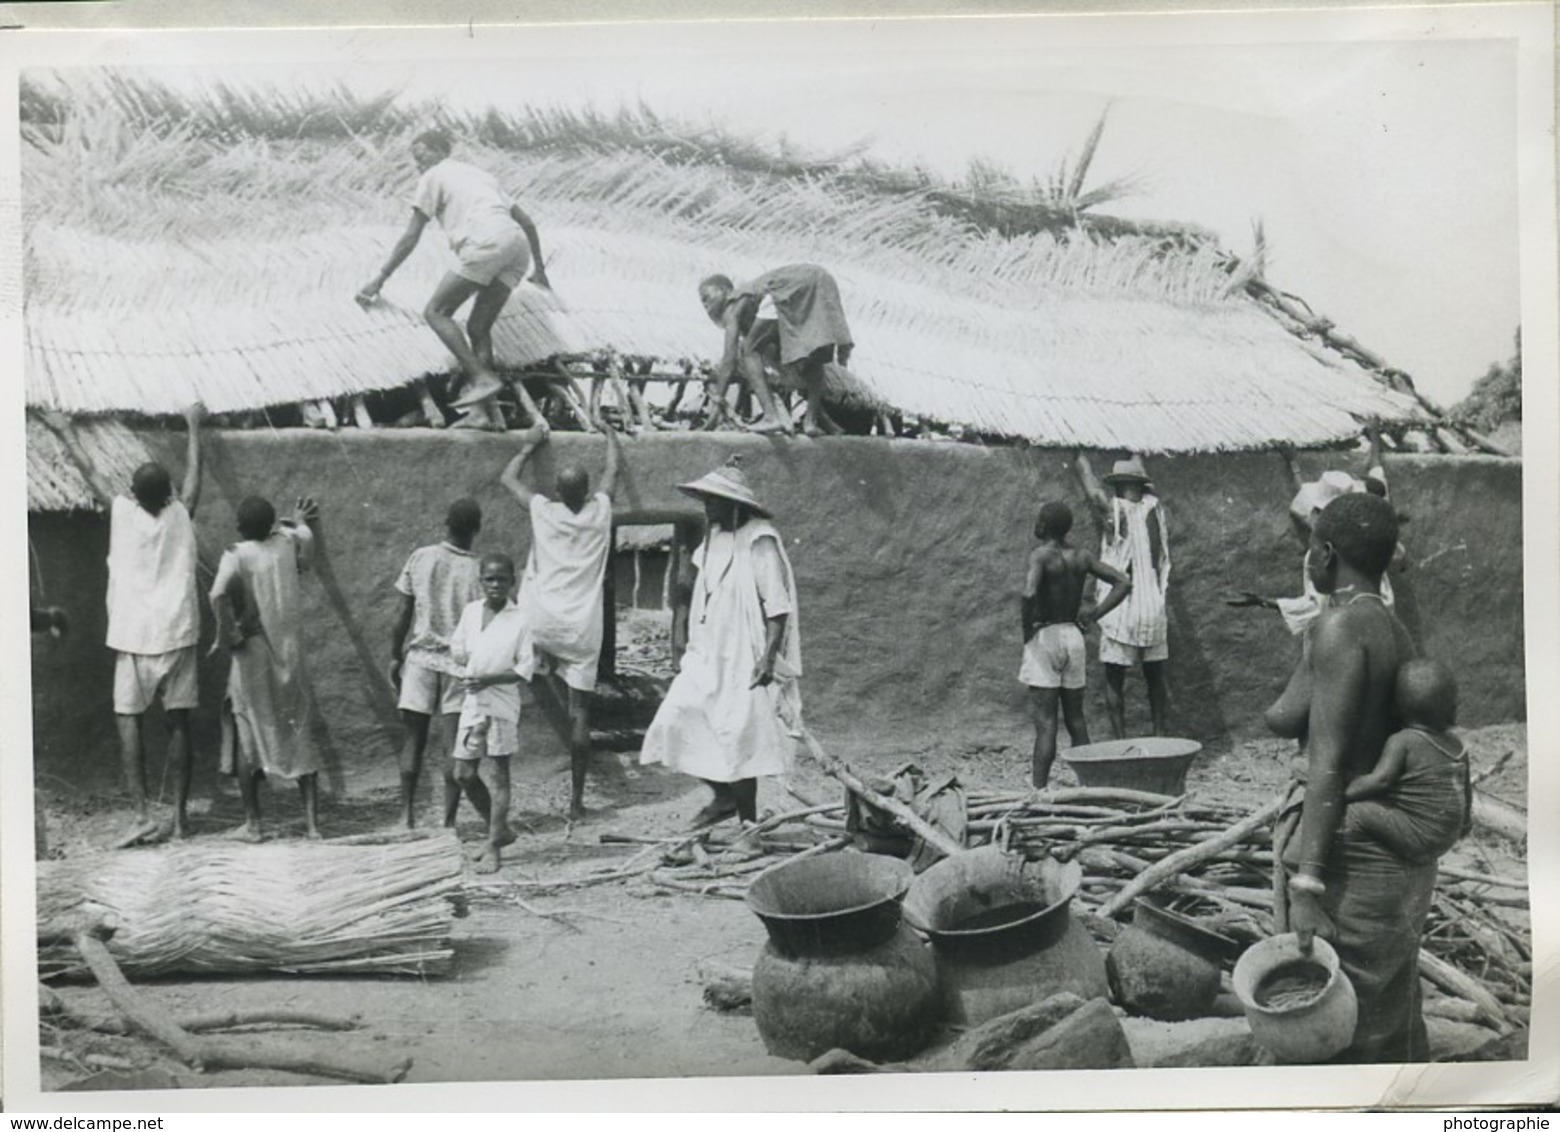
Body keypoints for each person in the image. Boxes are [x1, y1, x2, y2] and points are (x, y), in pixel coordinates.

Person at [1265, 492, 1430, 1063]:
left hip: (1343, 856)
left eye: (1311, 547)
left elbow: (1327, 764)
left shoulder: (1337, 630)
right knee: (1388, 1016)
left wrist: (1308, 888)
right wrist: (1313, 654)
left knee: (1329, 1022)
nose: (1308, 557)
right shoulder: (1394, 630)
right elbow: (1290, 715)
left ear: (1327, 553)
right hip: (1393, 857)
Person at [39, 403, 207, 846]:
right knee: (179, 724)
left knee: (128, 721)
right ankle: (182, 820)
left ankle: (141, 814)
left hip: (134, 640)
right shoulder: (181, 514)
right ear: (168, 493)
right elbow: (194, 482)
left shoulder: (122, 514)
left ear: (133, 493)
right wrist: (192, 425)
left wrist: (65, 430)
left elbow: (90, 469)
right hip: (177, 634)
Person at [640, 458, 802, 827]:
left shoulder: (760, 540)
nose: (707, 507)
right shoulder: (712, 540)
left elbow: (777, 607)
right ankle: (724, 796)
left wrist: (767, 657)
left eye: (713, 501)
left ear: (734, 504)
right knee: (672, 720)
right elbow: (699, 593)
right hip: (708, 652)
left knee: (739, 740)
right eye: (706, 500)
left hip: (743, 654)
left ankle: (749, 829)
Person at [355, 128, 551, 430]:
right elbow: (526, 222)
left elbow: (411, 235)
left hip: (486, 242)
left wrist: (380, 279)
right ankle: (482, 414)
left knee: (436, 312)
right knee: (478, 327)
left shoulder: (433, 177)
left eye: (420, 157)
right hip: (516, 247)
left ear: (438, 151)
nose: (418, 165)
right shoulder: (481, 176)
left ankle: (481, 377)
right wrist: (539, 269)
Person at [499, 422, 621, 819]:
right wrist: (611, 438)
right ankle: (577, 801)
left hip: (540, 622)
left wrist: (528, 446)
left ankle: (542, 662)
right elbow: (612, 474)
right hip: (582, 628)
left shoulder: (544, 511)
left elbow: (508, 478)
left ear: (557, 490)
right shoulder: (600, 513)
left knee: (533, 658)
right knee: (581, 713)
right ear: (585, 493)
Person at [210, 495, 324, 841]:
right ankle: (313, 826)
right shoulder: (287, 544)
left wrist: (227, 633)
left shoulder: (236, 554)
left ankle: (254, 824)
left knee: (249, 731)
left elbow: (217, 595)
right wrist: (301, 520)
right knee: (299, 733)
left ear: (241, 528)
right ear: (272, 524)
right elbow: (305, 539)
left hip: (253, 655)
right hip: (291, 655)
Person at [1229, 423, 1405, 632]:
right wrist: (1375, 438)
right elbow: (1377, 474)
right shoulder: (1369, 523)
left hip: (1353, 630)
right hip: (1383, 621)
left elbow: (1314, 605)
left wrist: (1261, 601)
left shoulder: (1329, 553)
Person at [1020, 501, 1133, 788]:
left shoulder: (1041, 556)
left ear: (1044, 525)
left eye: (1039, 519)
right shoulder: (1081, 557)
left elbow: (1029, 593)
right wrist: (1094, 613)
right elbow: (1123, 581)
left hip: (1046, 635)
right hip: (1073, 637)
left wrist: (1026, 630)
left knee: (1046, 723)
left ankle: (1037, 792)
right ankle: (1092, 786)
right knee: (1076, 718)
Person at [389, 499, 484, 830]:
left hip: (420, 661)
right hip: (459, 667)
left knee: (413, 740)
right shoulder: (478, 571)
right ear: (477, 528)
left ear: (446, 523)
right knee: (452, 748)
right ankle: (447, 822)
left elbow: (402, 613)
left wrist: (393, 654)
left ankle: (406, 816)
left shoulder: (421, 557)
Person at [447, 553, 534, 874]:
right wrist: (467, 665)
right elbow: (458, 648)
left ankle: (494, 846)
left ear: (513, 581)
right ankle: (502, 830)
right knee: (464, 774)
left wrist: (488, 677)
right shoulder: (471, 612)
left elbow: (524, 668)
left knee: (499, 776)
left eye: (502, 579)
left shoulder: (520, 619)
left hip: (501, 703)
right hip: (473, 702)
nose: (496, 585)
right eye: (489, 579)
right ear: (481, 581)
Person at [1075, 452, 1171, 738]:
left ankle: (1120, 741)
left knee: (1114, 679)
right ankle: (1160, 736)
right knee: (1155, 677)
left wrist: (1079, 458)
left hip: (1120, 607)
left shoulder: (1114, 510)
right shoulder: (1156, 509)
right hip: (1153, 603)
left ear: (1119, 485)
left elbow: (1093, 493)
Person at [698, 264, 854, 437]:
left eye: (706, 297)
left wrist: (718, 399)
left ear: (725, 291)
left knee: (749, 350)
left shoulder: (733, 303)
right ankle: (812, 421)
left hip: (790, 284)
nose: (705, 304)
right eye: (702, 302)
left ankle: (771, 416)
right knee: (810, 357)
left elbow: (729, 361)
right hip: (820, 279)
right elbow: (781, 359)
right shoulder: (762, 317)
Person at [1341, 659, 1469, 864]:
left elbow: (1380, 780)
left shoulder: (1404, 741)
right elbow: (1465, 792)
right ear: (1453, 707)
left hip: (1418, 839)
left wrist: (1341, 794)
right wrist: (1465, 824)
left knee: (1355, 812)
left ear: (1395, 710)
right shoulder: (1456, 744)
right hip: (1447, 839)